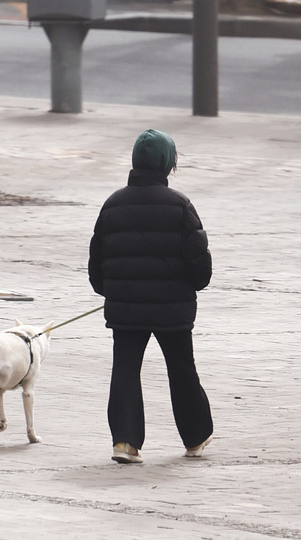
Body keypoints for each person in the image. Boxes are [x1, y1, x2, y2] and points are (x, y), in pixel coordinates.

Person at [88, 128, 213, 464]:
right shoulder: (180, 206)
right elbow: (200, 265)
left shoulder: (112, 205)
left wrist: (114, 290)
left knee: (125, 369)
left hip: (126, 309)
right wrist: (190, 285)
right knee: (181, 369)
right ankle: (195, 437)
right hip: (173, 310)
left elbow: (96, 265)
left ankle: (125, 443)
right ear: (167, 164)